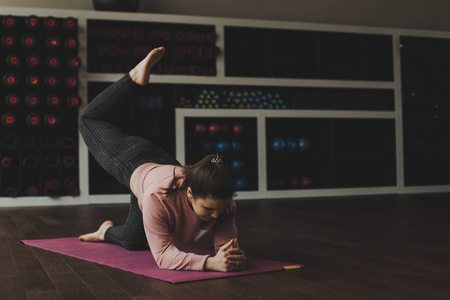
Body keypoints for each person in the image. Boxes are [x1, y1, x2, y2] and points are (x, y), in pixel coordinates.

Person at [78, 47, 246, 272]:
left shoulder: (224, 206)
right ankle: (133, 78)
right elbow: (164, 257)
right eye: (208, 209)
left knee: (133, 242)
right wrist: (209, 263)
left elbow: (225, 246)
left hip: (162, 170)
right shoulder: (158, 197)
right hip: (134, 159)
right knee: (88, 119)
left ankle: (103, 232)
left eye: (220, 209)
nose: (216, 216)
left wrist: (229, 256)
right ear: (189, 193)